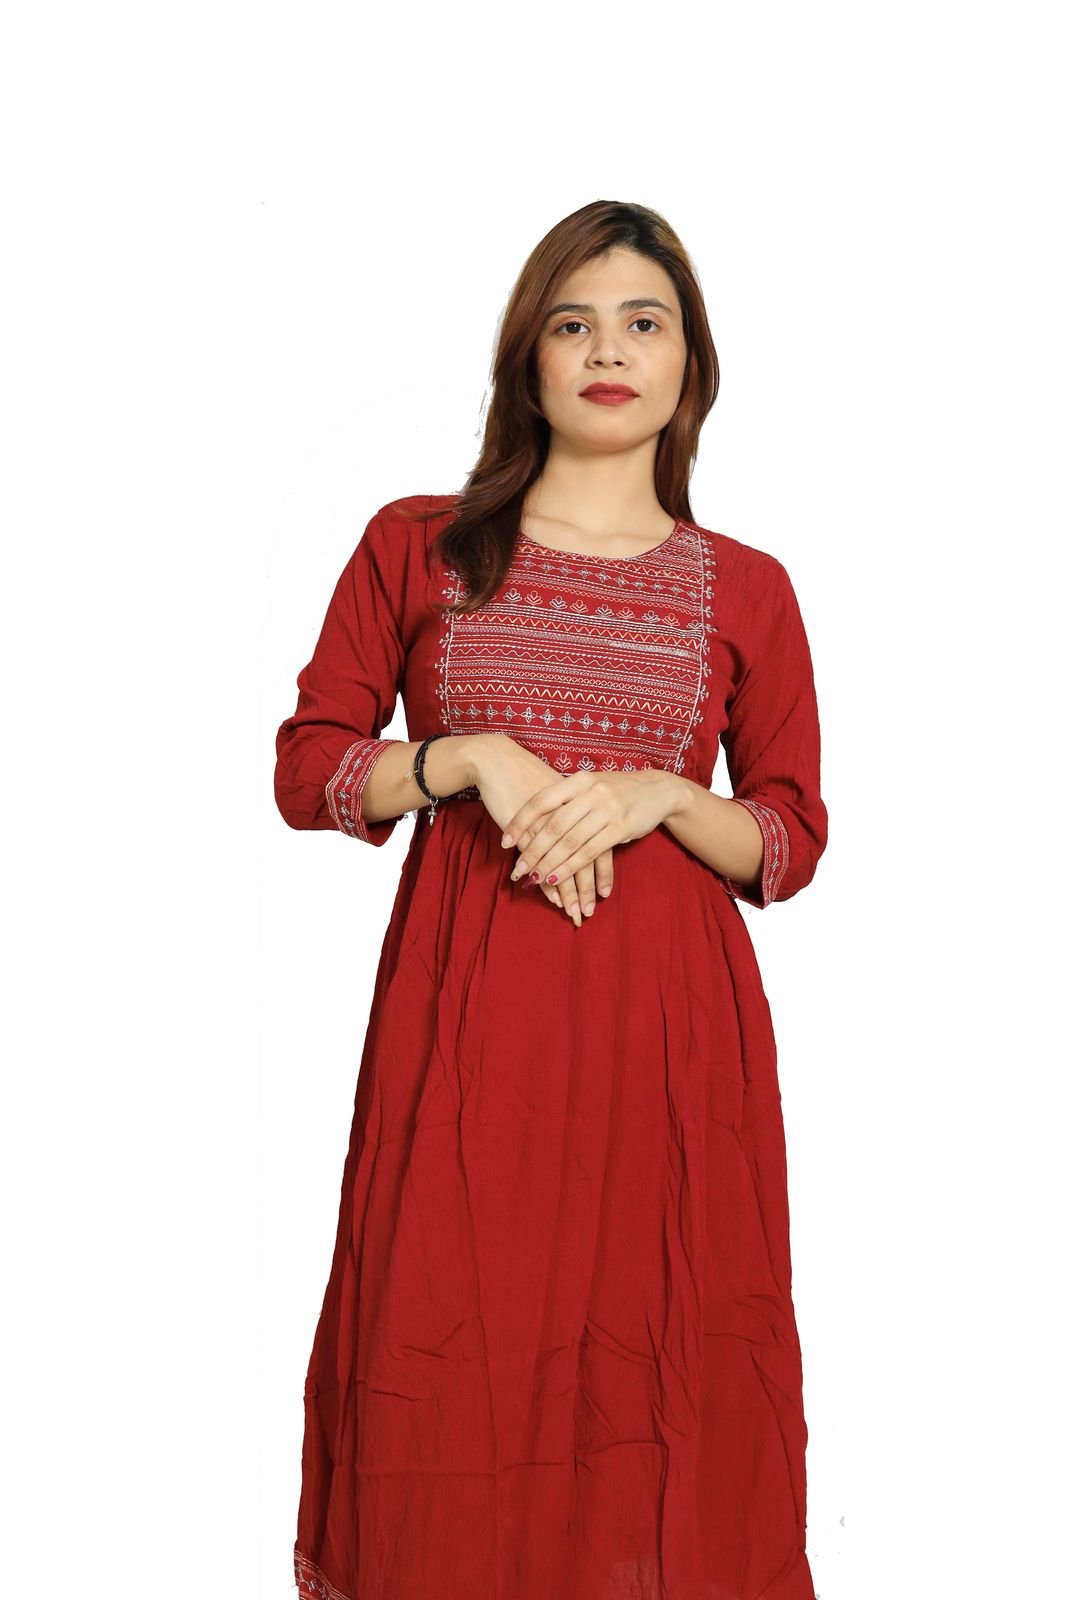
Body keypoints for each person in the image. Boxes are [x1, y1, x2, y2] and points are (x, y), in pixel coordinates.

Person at [274, 198, 829, 1600]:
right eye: (572, 323)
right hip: (469, 1040)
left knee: (661, 1363)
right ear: (528, 356)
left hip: (668, 1048)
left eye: (645, 323)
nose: (608, 350)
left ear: (692, 366)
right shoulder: (423, 546)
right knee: (447, 1351)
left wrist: (660, 796)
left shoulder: (748, 590)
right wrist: (468, 758)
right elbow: (309, 766)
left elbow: (788, 838)